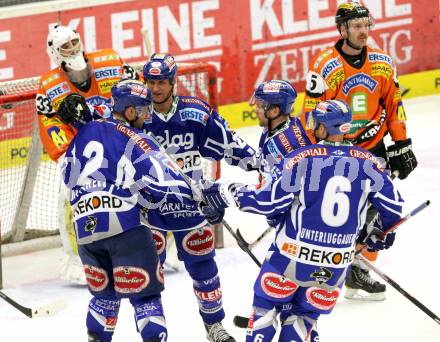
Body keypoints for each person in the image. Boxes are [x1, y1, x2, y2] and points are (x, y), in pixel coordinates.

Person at [199, 99, 404, 341]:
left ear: (325, 128)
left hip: (289, 257)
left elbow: (267, 201)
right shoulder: (371, 163)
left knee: (264, 312)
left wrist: (226, 192)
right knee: (304, 319)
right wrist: (380, 231)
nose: (312, 127)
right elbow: (393, 209)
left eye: (316, 124)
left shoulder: (300, 158)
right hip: (335, 264)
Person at [60, 80, 195, 341]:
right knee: (145, 298)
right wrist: (198, 196)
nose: (147, 115)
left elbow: (68, 178)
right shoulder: (137, 138)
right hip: (126, 230)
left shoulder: (84, 132)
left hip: (86, 233)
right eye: (144, 110)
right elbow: (164, 182)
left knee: (104, 299)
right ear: (130, 111)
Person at [300, 2, 417, 300]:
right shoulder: (325, 65)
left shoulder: (381, 62)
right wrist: (316, 150)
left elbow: (394, 106)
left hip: (373, 147)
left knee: (382, 212)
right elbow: (311, 114)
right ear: (342, 29)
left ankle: (359, 268)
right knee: (338, 212)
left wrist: (401, 143)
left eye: (366, 25)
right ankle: (320, 269)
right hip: (339, 150)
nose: (363, 31)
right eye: (356, 26)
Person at [141, 53, 258, 342]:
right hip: (148, 208)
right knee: (146, 275)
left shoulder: (195, 112)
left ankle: (214, 327)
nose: (155, 88)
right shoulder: (136, 113)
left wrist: (260, 165)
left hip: (189, 206)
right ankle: (153, 334)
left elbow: (231, 144)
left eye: (160, 82)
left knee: (204, 269)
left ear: (172, 82)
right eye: (150, 82)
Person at [36, 24, 137, 284]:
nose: (72, 49)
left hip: (121, 143)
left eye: (74, 42)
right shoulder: (49, 86)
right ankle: (78, 263)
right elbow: (52, 128)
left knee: (150, 184)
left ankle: (162, 246)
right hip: (83, 155)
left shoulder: (111, 62)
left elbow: (136, 99)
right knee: (67, 198)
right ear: (55, 53)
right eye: (65, 46)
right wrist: (70, 158)